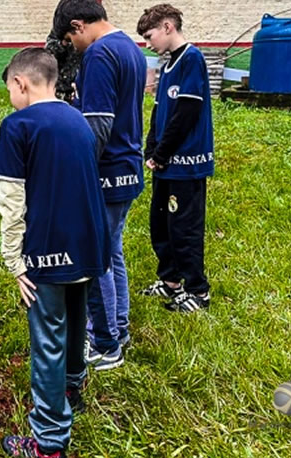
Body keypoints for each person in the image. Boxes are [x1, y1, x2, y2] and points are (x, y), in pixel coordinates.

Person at [0, 47, 110, 458]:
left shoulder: (18, 125)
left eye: (10, 88)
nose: (11, 96)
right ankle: (71, 391)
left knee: (48, 340)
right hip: (89, 246)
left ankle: (47, 444)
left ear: (21, 83)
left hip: (46, 253)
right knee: (77, 320)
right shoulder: (77, 120)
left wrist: (15, 262)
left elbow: (11, 200)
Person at [52, 0, 147, 370]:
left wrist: (74, 172)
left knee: (95, 261)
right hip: (129, 167)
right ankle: (118, 327)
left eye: (69, 39)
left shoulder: (100, 54)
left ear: (78, 25)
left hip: (106, 171)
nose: (72, 47)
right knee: (112, 252)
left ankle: (106, 344)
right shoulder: (130, 48)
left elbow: (99, 127)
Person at [137, 4, 214, 313]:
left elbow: (186, 112)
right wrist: (151, 148)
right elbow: (160, 112)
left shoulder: (191, 60)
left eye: (149, 35)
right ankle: (170, 281)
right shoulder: (167, 65)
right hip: (165, 163)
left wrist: (163, 152)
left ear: (167, 27)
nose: (147, 42)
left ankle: (198, 291)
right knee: (162, 224)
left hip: (186, 163)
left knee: (185, 228)